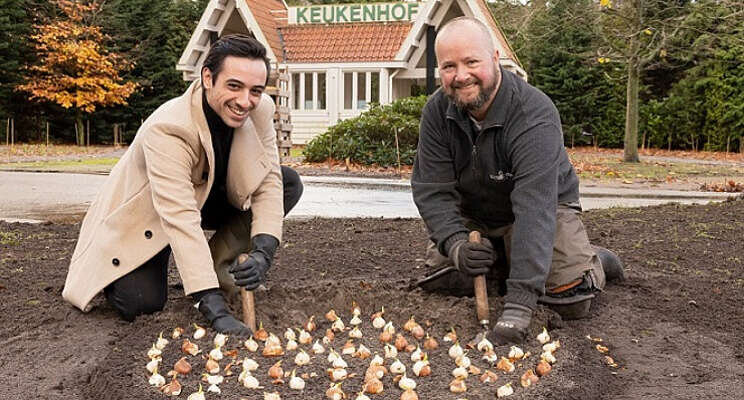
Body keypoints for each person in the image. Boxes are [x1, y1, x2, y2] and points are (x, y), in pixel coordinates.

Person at [62, 35, 302, 335]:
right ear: (207, 78)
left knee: (288, 182)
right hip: (150, 216)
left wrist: (263, 251)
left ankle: (218, 266)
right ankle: (154, 262)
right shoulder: (169, 128)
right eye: (234, 86)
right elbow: (179, 216)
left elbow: (267, 181)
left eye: (255, 90)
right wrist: (212, 307)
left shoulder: (260, 109)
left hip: (208, 194)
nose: (245, 101)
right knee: (140, 303)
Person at [411, 17, 623, 345]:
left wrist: (520, 304)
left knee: (570, 299)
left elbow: (534, 209)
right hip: (478, 215)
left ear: (496, 58)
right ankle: (504, 257)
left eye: (471, 62)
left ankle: (596, 262)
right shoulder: (437, 112)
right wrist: (455, 245)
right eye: (449, 66)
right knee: (447, 279)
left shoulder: (533, 113)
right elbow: (432, 189)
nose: (461, 75)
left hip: (543, 209)